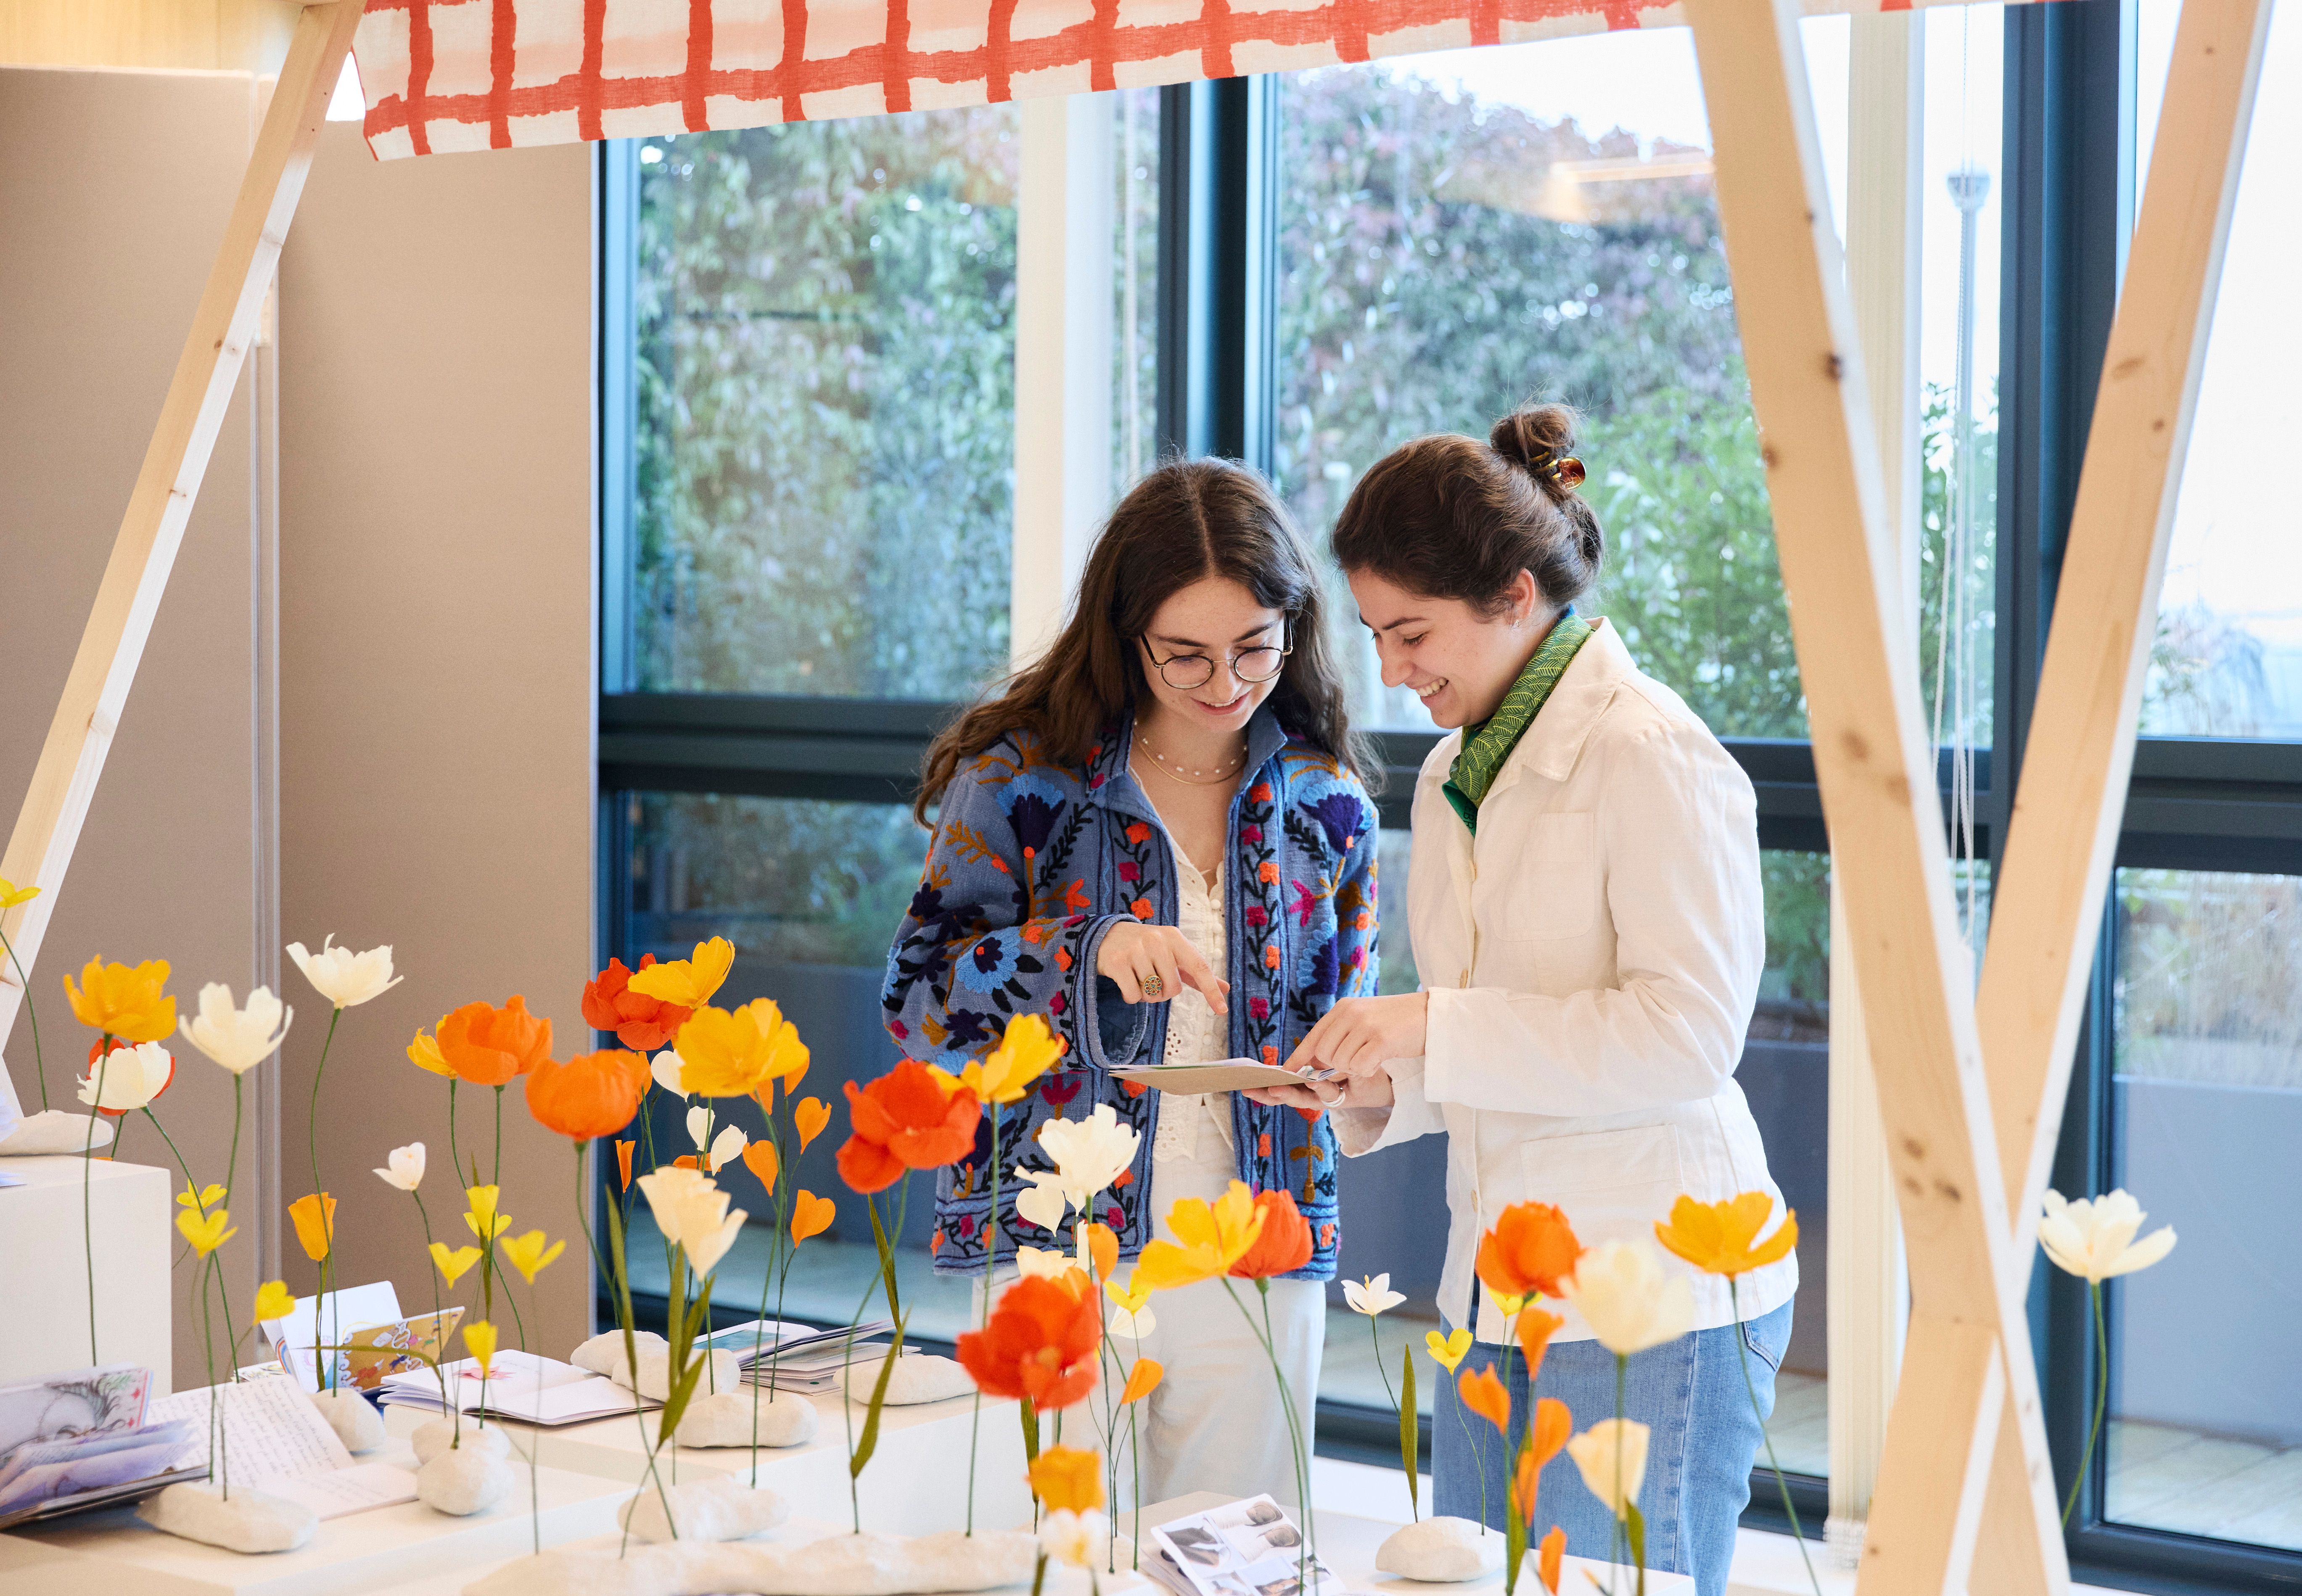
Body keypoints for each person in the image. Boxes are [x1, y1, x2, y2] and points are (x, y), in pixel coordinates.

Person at [1247, 404, 1795, 1596]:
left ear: (1509, 595)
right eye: (1373, 635)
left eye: (1409, 631)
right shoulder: (1455, 769)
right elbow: (1502, 1041)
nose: (1389, 670)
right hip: (1496, 1284)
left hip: (1653, 1287)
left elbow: (1687, 1035)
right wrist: (1376, 1081)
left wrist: (1427, 1024)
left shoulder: (1652, 752)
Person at [883, 458, 1382, 1506]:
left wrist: (1342, 1079)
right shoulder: (1024, 780)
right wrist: (1083, 950)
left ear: (1294, 626)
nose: (1225, 684)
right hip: (1052, 1232)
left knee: (1231, 1559)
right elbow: (918, 1000)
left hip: (1258, 1233)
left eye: (1254, 647)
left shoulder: (1329, 806)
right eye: (1184, 656)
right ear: (1124, 635)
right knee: (1059, 1552)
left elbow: (1354, 1028)